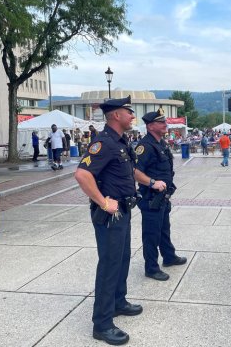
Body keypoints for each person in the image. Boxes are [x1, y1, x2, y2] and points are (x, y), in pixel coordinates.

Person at [74, 96, 142, 346]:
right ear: (116, 115)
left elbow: (128, 172)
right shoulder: (103, 142)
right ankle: (102, 324)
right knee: (110, 264)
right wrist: (103, 202)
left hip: (123, 211)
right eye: (129, 112)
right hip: (110, 214)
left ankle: (118, 302)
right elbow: (82, 175)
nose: (132, 116)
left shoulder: (121, 142)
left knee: (123, 258)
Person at [134, 108, 187, 281]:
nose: (165, 124)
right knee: (151, 235)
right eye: (161, 122)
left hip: (163, 197)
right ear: (150, 126)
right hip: (151, 198)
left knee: (164, 229)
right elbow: (134, 171)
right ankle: (151, 267)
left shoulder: (160, 143)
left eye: (165, 121)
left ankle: (169, 257)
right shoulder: (145, 146)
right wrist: (152, 182)